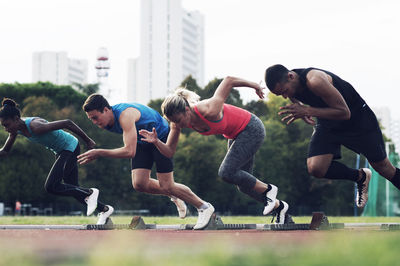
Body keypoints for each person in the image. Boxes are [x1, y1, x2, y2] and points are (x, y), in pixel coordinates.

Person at [139, 76, 290, 224]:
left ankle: (269, 189)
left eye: (178, 120)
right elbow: (169, 152)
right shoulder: (176, 124)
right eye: (172, 121)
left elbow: (229, 80)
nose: (177, 125)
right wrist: (157, 142)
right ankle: (279, 206)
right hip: (236, 135)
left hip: (251, 128)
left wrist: (254, 86)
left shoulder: (208, 109)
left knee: (226, 172)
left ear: (187, 110)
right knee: (243, 185)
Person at [265, 64, 400, 208]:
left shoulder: (315, 80)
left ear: (291, 76)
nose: (286, 96)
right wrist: (302, 111)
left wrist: (307, 110)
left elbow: (344, 112)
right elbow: (294, 97)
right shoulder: (291, 85)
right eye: (281, 95)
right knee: (316, 168)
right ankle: (360, 177)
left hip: (358, 120)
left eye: (285, 91)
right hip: (328, 123)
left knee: (383, 168)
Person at [78, 94, 215, 230]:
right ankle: (173, 194)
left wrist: (99, 152)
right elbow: (132, 146)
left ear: (106, 110)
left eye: (95, 117)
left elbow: (129, 152)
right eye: (91, 119)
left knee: (167, 185)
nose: (95, 122)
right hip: (142, 141)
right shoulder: (107, 121)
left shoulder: (125, 116)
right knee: (139, 184)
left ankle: (204, 206)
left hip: (159, 136)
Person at [0, 98, 113, 224]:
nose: (6, 129)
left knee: (51, 186)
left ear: (16, 119)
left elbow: (67, 123)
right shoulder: (16, 130)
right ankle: (104, 209)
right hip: (61, 151)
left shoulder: (35, 126)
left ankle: (90, 192)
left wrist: (87, 140)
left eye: (7, 125)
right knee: (74, 189)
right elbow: (5, 151)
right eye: (3, 126)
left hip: (70, 147)